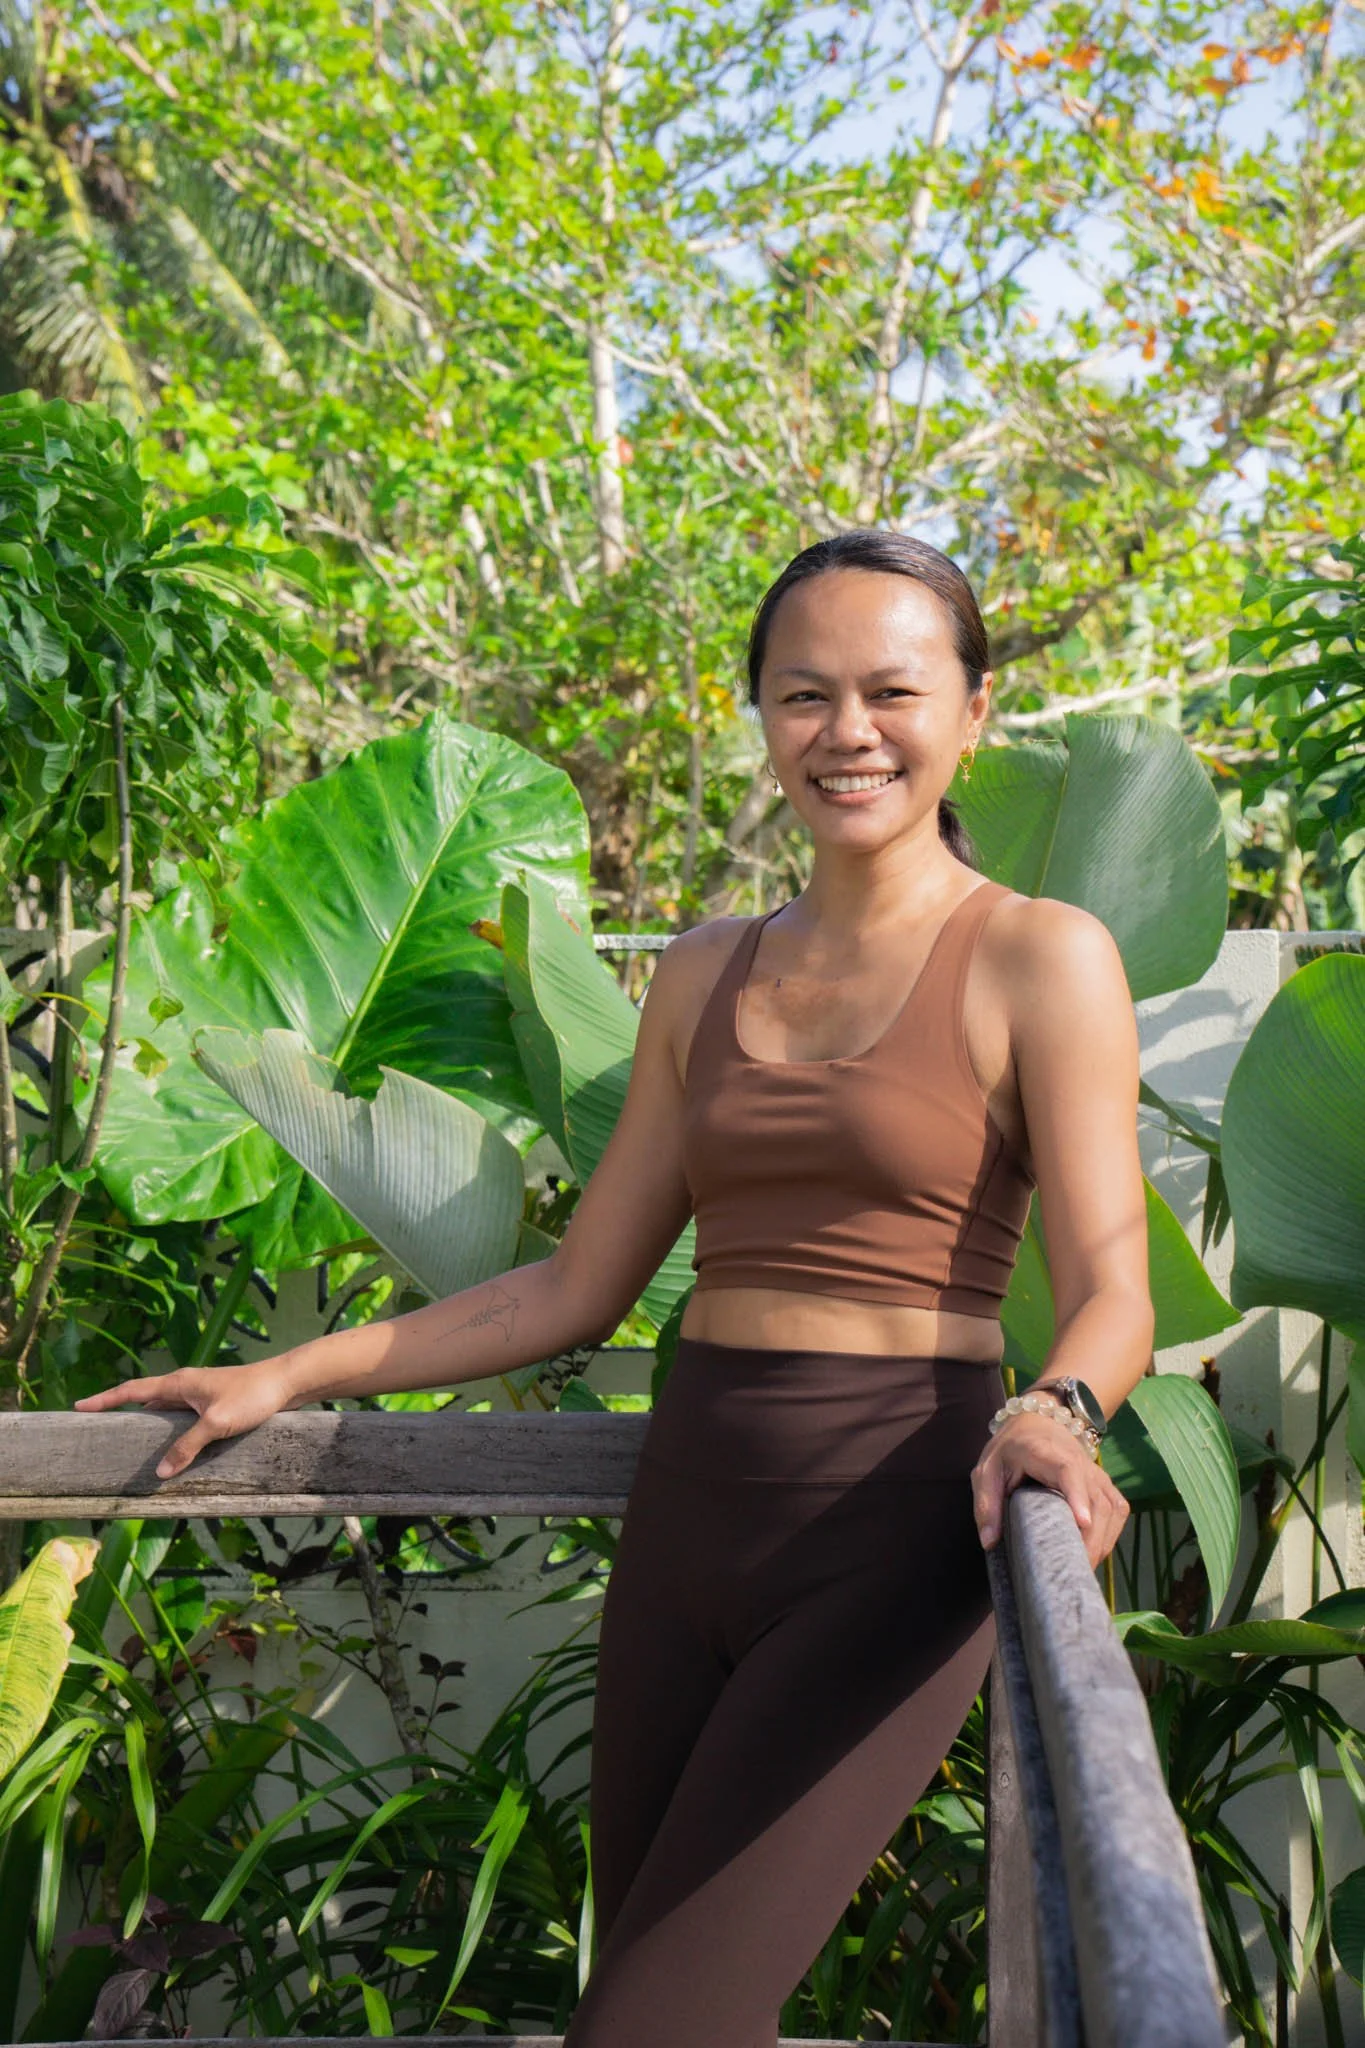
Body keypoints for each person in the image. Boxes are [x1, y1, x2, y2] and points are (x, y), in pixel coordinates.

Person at [76, 530, 1151, 2046]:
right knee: (657, 2002)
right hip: (686, 1524)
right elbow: (578, 1286)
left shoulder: (1039, 956)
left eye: (892, 693)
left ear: (973, 711)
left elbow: (1113, 1282)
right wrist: (289, 1373)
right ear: (763, 718)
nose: (848, 733)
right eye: (804, 695)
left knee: (645, 2033)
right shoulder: (703, 972)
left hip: (888, 1528)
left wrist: (1057, 1405)